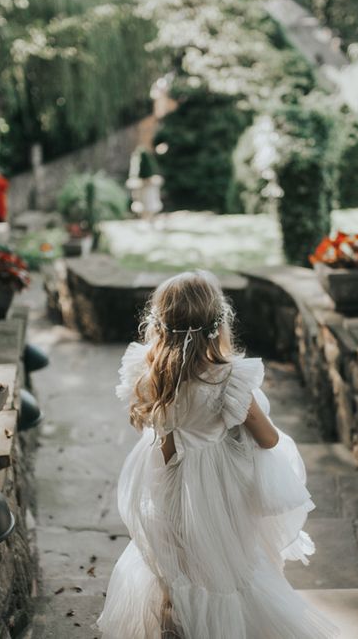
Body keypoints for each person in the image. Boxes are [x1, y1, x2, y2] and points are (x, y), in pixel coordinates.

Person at [96, 271, 339, 638]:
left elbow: (155, 432)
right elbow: (269, 440)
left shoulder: (149, 377)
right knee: (226, 567)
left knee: (175, 559)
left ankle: (178, 619)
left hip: (167, 485)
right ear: (219, 323)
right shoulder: (229, 382)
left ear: (159, 325)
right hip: (219, 493)